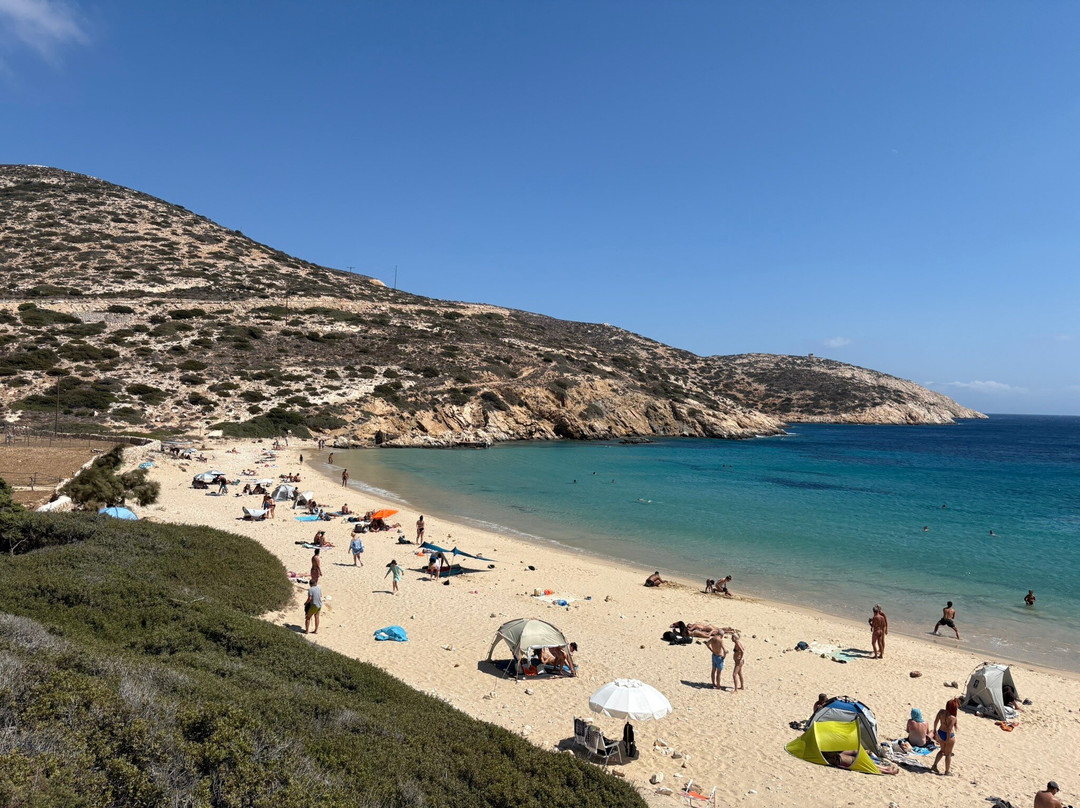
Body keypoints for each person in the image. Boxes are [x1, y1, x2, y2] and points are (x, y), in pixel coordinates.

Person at [930, 698, 959, 776]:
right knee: (948, 754)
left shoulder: (941, 712)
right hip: (948, 735)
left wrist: (935, 731)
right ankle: (947, 771)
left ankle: (934, 765)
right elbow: (949, 729)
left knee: (942, 751)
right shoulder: (953, 717)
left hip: (940, 732)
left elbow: (935, 721)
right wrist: (948, 739)